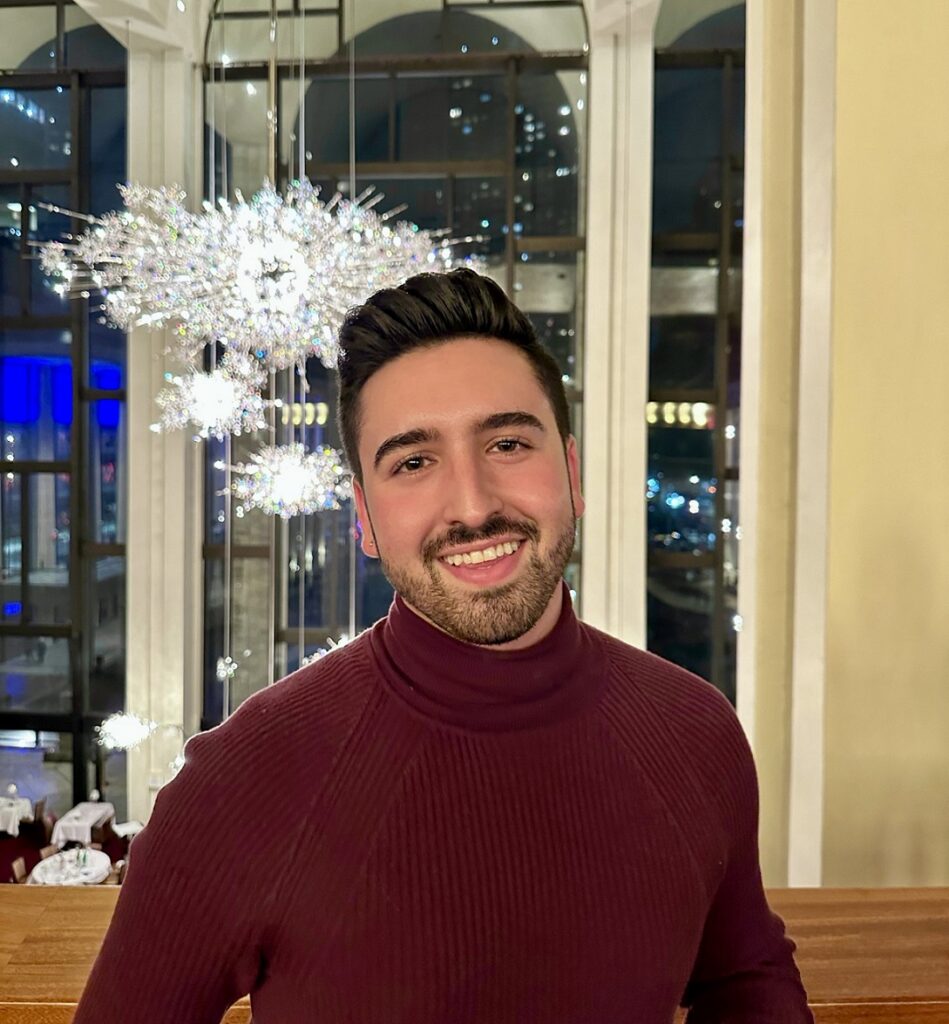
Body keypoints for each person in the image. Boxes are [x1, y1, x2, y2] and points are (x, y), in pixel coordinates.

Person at [74, 269, 813, 1023]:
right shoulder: (243, 781)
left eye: (506, 442)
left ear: (571, 472)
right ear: (363, 516)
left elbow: (742, 976)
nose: (473, 505)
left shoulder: (694, 730)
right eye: (413, 462)